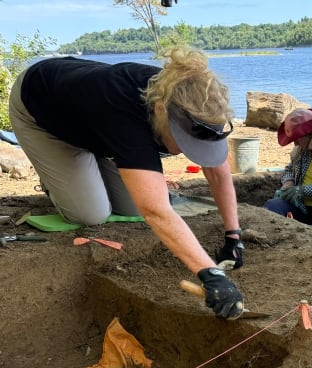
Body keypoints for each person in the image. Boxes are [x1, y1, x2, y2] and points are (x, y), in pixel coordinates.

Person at [9, 45, 246, 320]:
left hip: (92, 116)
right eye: (183, 143)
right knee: (91, 213)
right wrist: (211, 274)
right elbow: (156, 211)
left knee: (132, 207)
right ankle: (58, 178)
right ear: (160, 111)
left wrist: (233, 236)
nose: (184, 152)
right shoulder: (126, 114)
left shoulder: (197, 103)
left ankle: (93, 158)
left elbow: (217, 171)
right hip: (40, 108)